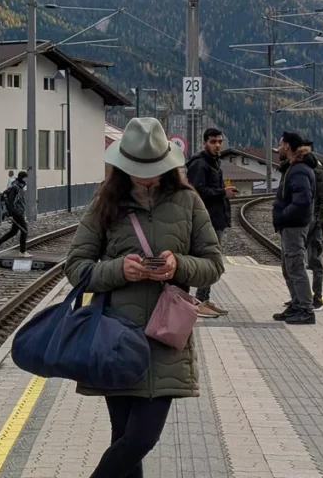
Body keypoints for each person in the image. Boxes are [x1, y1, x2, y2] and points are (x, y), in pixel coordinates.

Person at [65, 117, 224, 478]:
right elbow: (76, 268)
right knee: (124, 439)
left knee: (140, 438)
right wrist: (120, 269)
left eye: (153, 167)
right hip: (113, 336)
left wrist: (178, 265)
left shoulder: (188, 201)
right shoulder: (104, 203)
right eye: (139, 168)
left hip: (166, 339)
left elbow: (213, 265)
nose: (146, 175)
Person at [185, 127, 237, 318]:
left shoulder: (213, 163)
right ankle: (199, 301)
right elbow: (198, 191)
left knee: (210, 259)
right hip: (206, 220)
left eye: (220, 142)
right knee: (208, 259)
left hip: (214, 218)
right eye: (213, 142)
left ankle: (203, 299)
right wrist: (223, 192)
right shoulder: (200, 164)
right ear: (204, 143)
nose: (217, 145)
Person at [271, 132, 316, 325]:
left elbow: (302, 199)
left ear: (288, 146)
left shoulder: (298, 170)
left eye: (280, 145)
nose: (278, 148)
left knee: (296, 266)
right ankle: (297, 304)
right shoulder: (294, 168)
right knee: (288, 266)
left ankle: (306, 309)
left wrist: (283, 214)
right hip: (291, 225)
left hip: (294, 225)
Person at [301, 140, 323, 310]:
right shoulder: (306, 171)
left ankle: (317, 297)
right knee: (300, 260)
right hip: (305, 222)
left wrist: (319, 222)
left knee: (314, 260)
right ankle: (302, 296)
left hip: (314, 224)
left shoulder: (319, 174)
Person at [0, 170, 31, 257]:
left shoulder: (20, 187)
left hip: (19, 212)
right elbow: (11, 202)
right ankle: (22, 251)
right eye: (26, 178)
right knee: (24, 230)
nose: (27, 180)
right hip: (16, 212)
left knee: (13, 232)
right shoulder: (16, 187)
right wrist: (10, 214)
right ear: (22, 178)